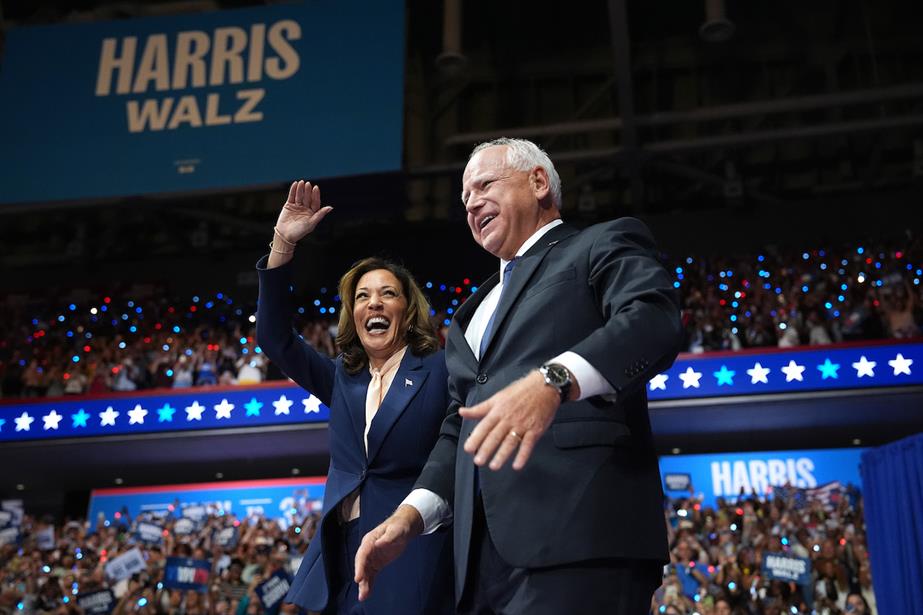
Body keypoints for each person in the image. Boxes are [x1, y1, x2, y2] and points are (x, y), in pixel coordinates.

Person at [355, 138, 682, 613]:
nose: (471, 204)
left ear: (539, 181)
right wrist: (411, 514)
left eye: (484, 185)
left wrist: (552, 380)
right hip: (479, 565)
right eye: (465, 199)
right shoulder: (469, 314)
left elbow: (653, 320)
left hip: (580, 538)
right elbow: (460, 426)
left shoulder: (598, 244)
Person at [255, 180, 453, 615]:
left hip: (409, 553)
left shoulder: (439, 370)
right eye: (362, 296)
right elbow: (273, 338)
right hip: (338, 557)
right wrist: (283, 244)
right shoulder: (342, 379)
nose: (374, 303)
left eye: (387, 294)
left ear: (407, 308)